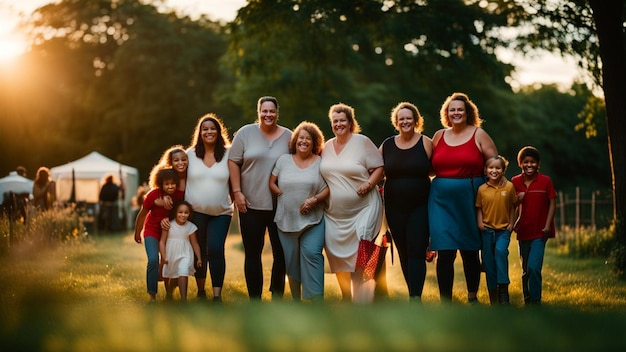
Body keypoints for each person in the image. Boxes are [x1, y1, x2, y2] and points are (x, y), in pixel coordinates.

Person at [429, 92, 498, 304]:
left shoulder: (479, 134)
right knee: (445, 250)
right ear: (446, 114)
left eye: (460, 109)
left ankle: (472, 296)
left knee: (469, 250)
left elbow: (495, 164)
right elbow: (429, 168)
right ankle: (446, 302)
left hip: (470, 199)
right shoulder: (439, 136)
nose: (456, 113)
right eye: (452, 110)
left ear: (468, 112)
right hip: (440, 201)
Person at [320, 103, 384, 303]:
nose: (338, 124)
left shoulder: (362, 142)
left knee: (362, 247)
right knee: (335, 252)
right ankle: (346, 296)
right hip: (334, 213)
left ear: (350, 122)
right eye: (335, 121)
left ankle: (363, 295)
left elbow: (379, 167)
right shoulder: (327, 147)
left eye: (342, 120)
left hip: (364, 207)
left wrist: (368, 183)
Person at [228, 96, 292, 300]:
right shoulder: (245, 133)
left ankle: (277, 294)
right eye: (264, 111)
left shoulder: (289, 136)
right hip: (250, 204)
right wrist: (237, 192)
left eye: (272, 111)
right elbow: (233, 162)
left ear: (277, 113)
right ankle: (254, 296)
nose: (268, 115)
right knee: (253, 253)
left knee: (281, 254)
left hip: (280, 205)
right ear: (259, 112)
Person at [269, 121, 329, 302]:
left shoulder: (319, 162)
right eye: (301, 138)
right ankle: (297, 300)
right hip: (286, 220)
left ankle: (317, 298)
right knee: (292, 261)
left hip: (314, 219)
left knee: (313, 254)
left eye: (308, 139)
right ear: (295, 141)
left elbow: (327, 188)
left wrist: (314, 200)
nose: (303, 141)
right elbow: (272, 182)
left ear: (314, 142)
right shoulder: (284, 160)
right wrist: (279, 192)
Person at [379, 102, 432, 301]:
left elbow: (437, 168)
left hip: (420, 206)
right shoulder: (387, 144)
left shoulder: (426, 142)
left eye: (409, 118)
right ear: (396, 122)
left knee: (416, 250)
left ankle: (415, 298)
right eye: (401, 118)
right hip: (394, 207)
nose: (405, 121)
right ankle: (413, 293)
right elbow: (374, 168)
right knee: (402, 251)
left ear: (416, 120)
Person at [185, 113, 233, 301]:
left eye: (212, 128)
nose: (209, 131)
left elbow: (238, 178)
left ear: (219, 132)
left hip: (221, 213)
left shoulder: (229, 153)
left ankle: (217, 295)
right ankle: (201, 291)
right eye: (205, 129)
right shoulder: (190, 154)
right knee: (199, 250)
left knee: (215, 249)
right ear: (200, 132)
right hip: (195, 213)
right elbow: (180, 182)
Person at [511, 146, 556, 306]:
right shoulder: (515, 182)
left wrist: (548, 225)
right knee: (525, 270)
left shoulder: (546, 181)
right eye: (526, 162)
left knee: (534, 268)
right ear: (520, 163)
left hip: (540, 232)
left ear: (538, 164)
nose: (529, 165)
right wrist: (518, 201)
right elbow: (511, 205)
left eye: (533, 162)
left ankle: (536, 302)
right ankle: (527, 299)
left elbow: (552, 203)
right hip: (523, 232)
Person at [134, 168, 184, 302]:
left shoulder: (180, 195)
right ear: (160, 184)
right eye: (166, 184)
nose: (170, 186)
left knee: (168, 261)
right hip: (152, 231)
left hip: (170, 232)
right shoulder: (152, 195)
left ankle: (169, 292)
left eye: (173, 183)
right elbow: (142, 214)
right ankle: (152, 295)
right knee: (153, 260)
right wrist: (137, 232)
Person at [475, 155, 517, 305]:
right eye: (491, 168)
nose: (494, 170)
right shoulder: (482, 189)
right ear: (486, 170)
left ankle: (503, 292)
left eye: (498, 168)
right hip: (486, 230)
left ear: (503, 170)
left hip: (503, 231)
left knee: (500, 252)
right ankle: (493, 296)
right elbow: (479, 208)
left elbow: (513, 206)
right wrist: (480, 223)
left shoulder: (510, 187)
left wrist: (511, 224)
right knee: (488, 262)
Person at [159, 201, 203, 302]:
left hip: (185, 254)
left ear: (189, 214)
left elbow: (195, 243)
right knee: (170, 273)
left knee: (183, 271)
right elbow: (162, 241)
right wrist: (164, 256)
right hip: (170, 254)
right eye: (180, 212)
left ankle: (184, 299)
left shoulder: (190, 226)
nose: (183, 215)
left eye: (186, 212)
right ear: (175, 212)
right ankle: (169, 294)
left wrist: (199, 258)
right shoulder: (168, 225)